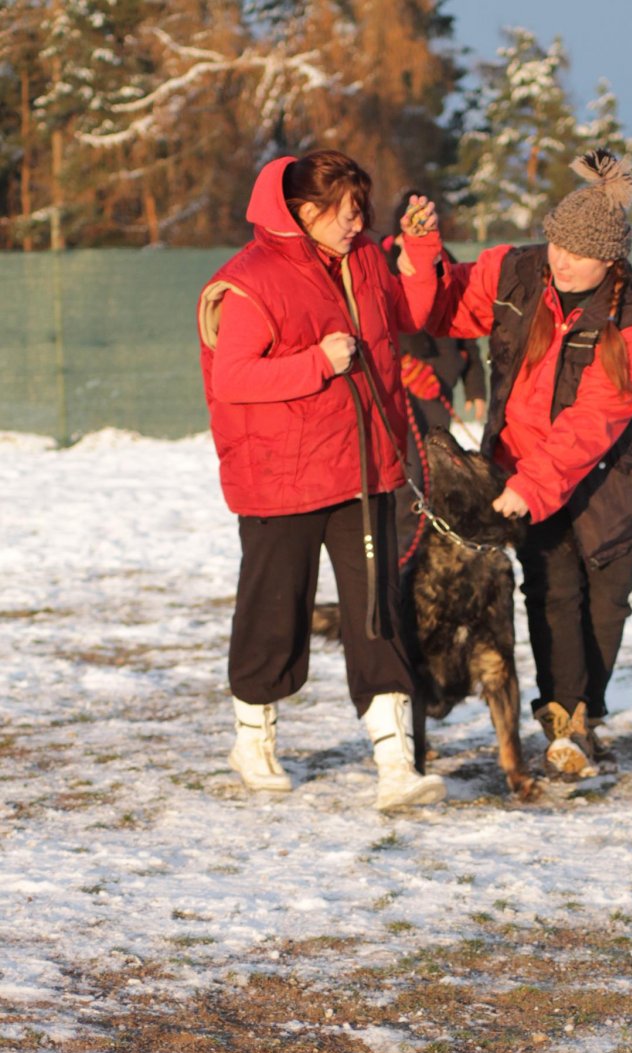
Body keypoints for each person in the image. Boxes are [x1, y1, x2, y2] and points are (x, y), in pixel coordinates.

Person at [196, 149, 446, 812]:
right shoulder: (248, 281)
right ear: (301, 211)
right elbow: (234, 378)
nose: (354, 220)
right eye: (341, 210)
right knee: (274, 614)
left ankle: (396, 764)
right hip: (281, 478)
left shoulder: (364, 258)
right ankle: (253, 740)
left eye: (359, 207)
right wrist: (315, 363)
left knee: (377, 615)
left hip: (363, 469)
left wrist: (419, 254)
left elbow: (407, 315)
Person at [418, 148, 632, 778]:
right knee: (552, 591)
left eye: (577, 254)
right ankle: (564, 723)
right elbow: (442, 308)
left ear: (611, 261)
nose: (560, 259)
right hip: (522, 471)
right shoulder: (517, 272)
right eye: (556, 243)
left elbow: (593, 422)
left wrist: (534, 483)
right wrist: (425, 256)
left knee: (604, 603)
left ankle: (587, 710)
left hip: (614, 482)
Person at [382, 192, 487, 558]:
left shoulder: (447, 262)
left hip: (440, 384)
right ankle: (404, 550)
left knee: (433, 467)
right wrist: (398, 366)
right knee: (408, 471)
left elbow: (467, 334)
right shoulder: (379, 264)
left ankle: (430, 542)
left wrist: (476, 387)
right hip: (399, 389)